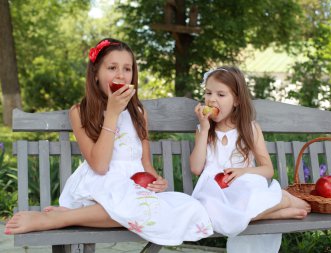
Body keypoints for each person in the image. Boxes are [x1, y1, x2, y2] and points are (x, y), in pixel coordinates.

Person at [5, 38, 213, 245]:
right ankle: (56, 219)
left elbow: (146, 165)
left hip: (134, 189)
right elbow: (100, 165)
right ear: (95, 74)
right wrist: (112, 115)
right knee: (131, 208)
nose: (121, 75)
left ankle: (71, 216)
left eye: (127, 69)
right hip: (100, 185)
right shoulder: (80, 112)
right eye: (112, 68)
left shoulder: (139, 113)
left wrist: (156, 180)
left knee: (188, 207)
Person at [190, 66, 311, 252]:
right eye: (208, 93)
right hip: (215, 191)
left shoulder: (249, 128)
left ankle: (271, 206)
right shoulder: (204, 130)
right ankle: (275, 210)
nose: (212, 99)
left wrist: (243, 171)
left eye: (221, 95)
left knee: (243, 195)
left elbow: (267, 170)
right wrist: (204, 129)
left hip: (241, 186)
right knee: (206, 212)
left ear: (237, 100)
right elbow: (196, 168)